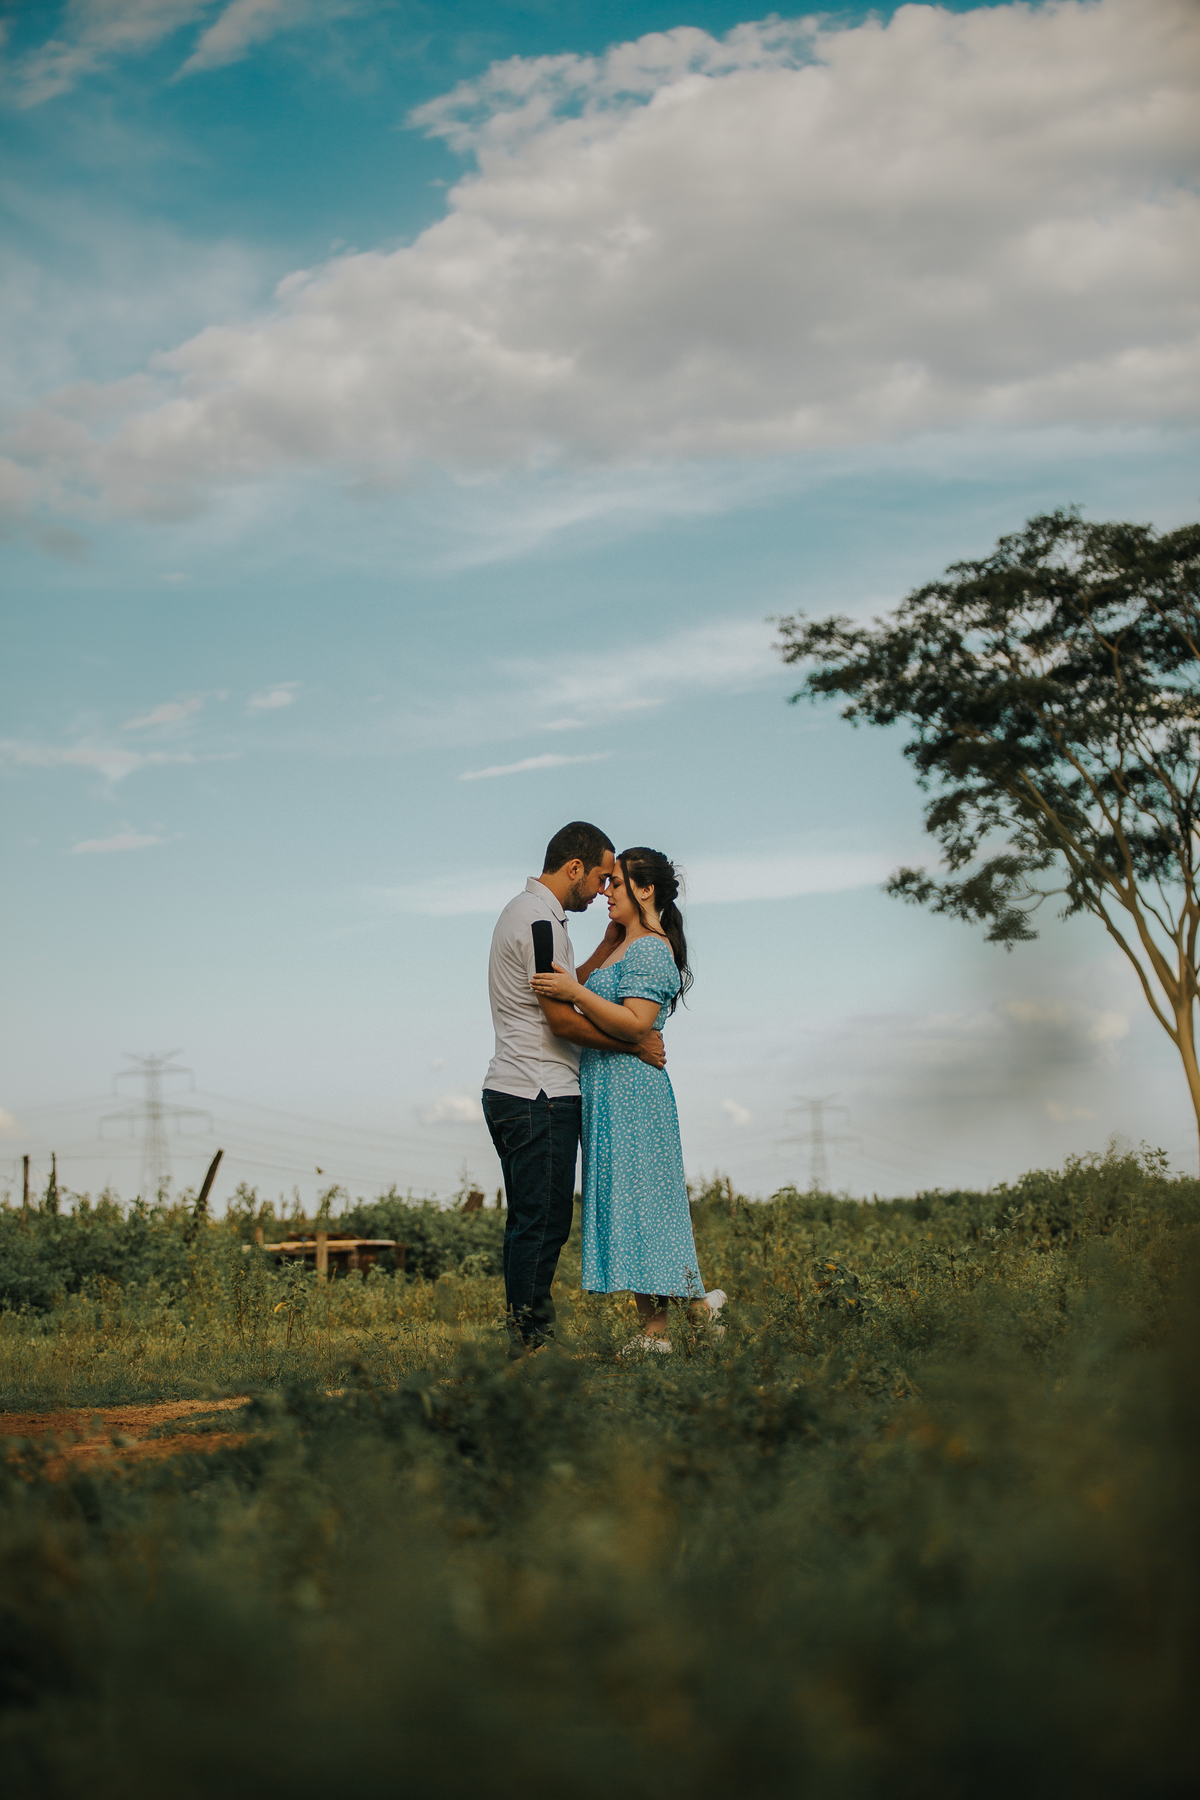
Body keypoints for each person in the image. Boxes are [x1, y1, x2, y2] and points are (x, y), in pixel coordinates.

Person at [530, 846, 725, 1353]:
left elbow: (636, 1024)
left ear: (645, 889)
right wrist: (594, 960)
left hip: (634, 1092)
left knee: (645, 1205)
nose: (606, 892)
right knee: (635, 1205)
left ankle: (657, 1332)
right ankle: (696, 1312)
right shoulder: (625, 945)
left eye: (615, 883)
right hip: (610, 1090)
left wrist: (576, 993)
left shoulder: (651, 949)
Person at [482, 822, 668, 1348]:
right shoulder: (541, 921)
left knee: (528, 1221)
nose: (603, 890)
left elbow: (564, 988)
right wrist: (634, 1044)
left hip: (515, 1087)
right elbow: (561, 1020)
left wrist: (603, 950)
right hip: (538, 1091)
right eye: (602, 877)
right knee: (541, 1225)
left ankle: (525, 1337)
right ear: (575, 868)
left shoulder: (527, 913)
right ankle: (531, 1344)